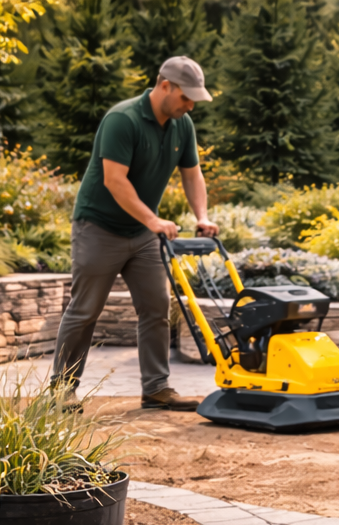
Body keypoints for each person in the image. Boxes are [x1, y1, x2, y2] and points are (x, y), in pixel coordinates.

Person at [52, 55, 218, 411]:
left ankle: (156, 388)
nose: (190, 105)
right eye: (186, 97)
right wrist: (154, 221)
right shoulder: (122, 120)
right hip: (98, 228)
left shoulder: (182, 124)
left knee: (157, 308)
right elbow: (115, 180)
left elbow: (192, 173)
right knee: (84, 310)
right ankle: (62, 389)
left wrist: (201, 216)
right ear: (164, 86)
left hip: (142, 232)